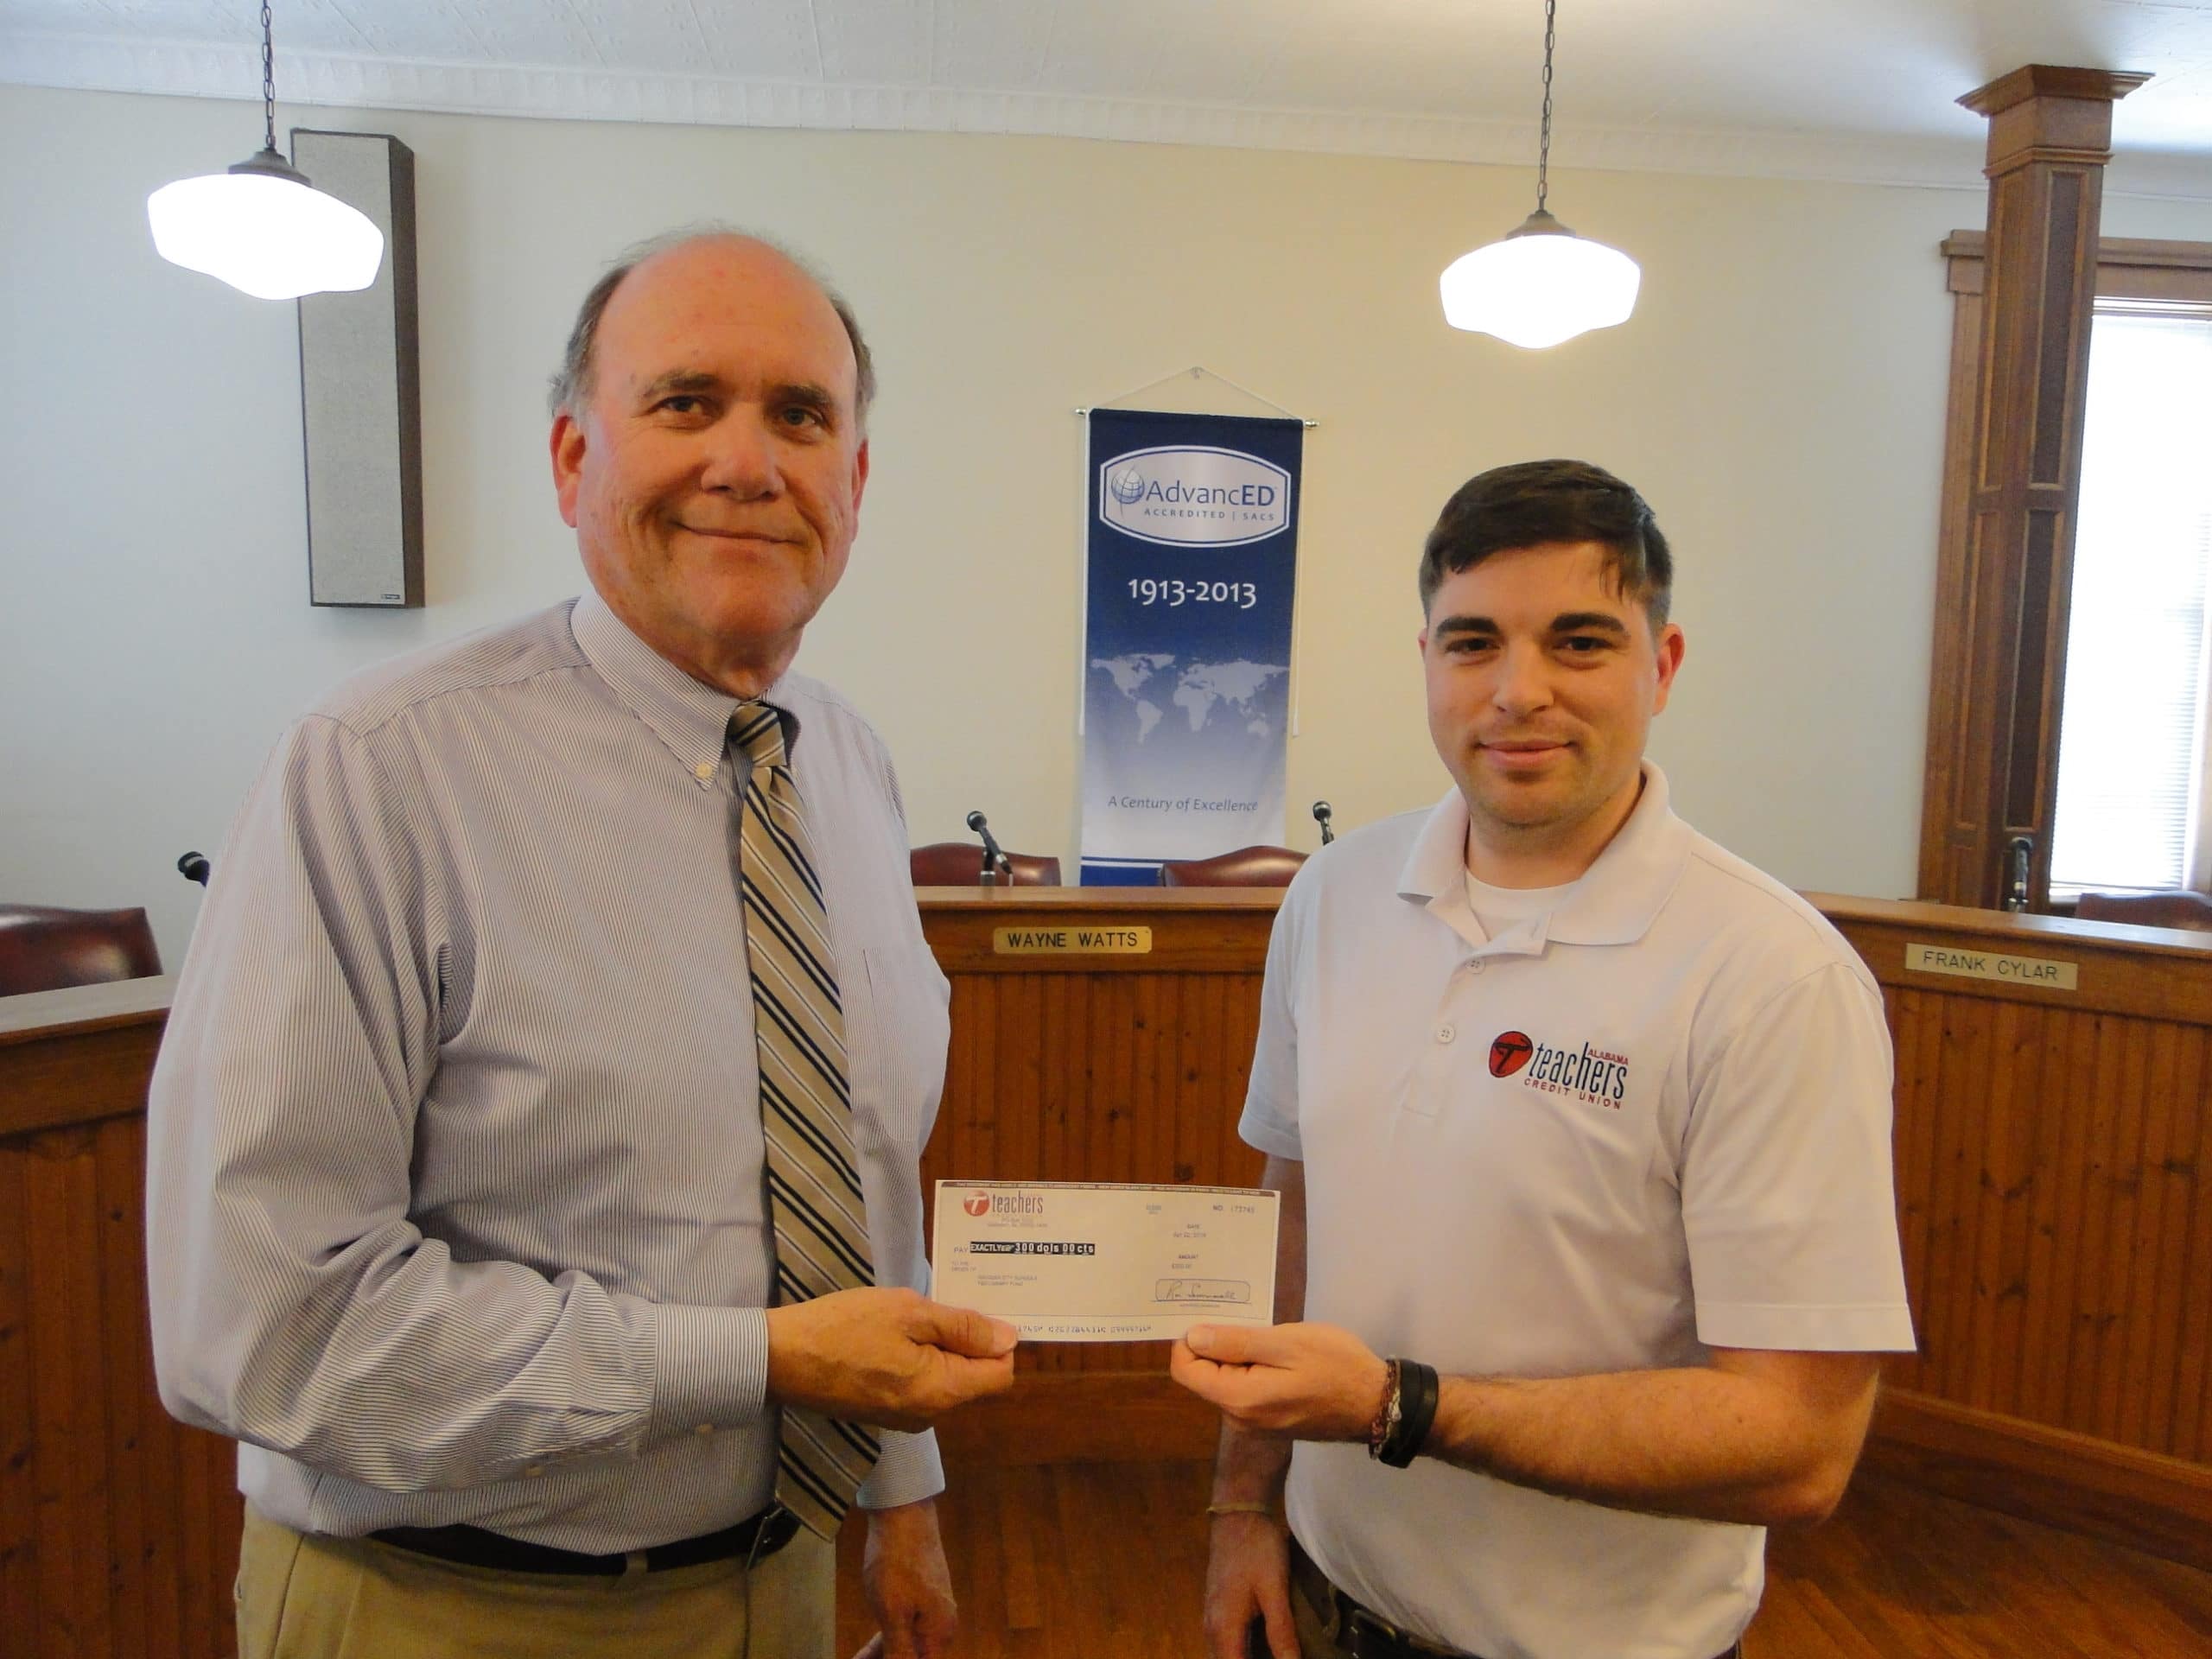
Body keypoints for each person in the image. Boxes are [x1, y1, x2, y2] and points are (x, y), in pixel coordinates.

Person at [146, 228, 1017, 1659]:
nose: (748, 460)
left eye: (802, 415)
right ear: (570, 460)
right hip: (451, 1602)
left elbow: (864, 1172)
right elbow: (260, 1320)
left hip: (782, 1581)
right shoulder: (378, 769)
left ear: (853, 484)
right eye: (685, 402)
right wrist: (742, 1365)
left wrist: (900, 1484)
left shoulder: (849, 769)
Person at [1171, 460, 1916, 1659]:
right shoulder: (1333, 896)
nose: (1519, 693)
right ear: (1426, 663)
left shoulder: (1777, 977)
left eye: (1579, 643)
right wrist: (1241, 1505)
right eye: (1473, 644)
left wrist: (1397, 1408)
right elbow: (1292, 1221)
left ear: (1661, 667)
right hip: (1322, 1592)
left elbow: (1800, 1446)